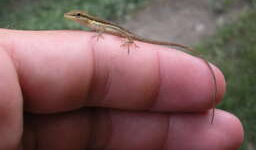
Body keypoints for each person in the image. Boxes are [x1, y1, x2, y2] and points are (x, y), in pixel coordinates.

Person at [0, 28, 243, 149]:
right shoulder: (93, 25)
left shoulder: (96, 24)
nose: (74, 20)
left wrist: (128, 40)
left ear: (82, 18)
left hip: (126, 34)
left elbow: (107, 29)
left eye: (76, 17)